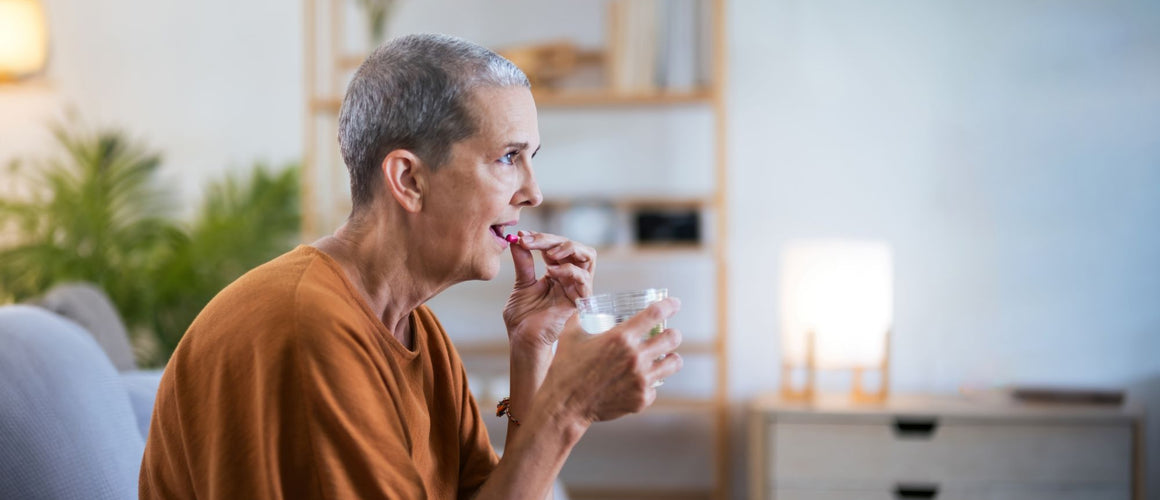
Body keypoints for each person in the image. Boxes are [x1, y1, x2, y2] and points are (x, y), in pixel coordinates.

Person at [139, 33, 684, 500]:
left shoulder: (416, 330)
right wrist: (568, 407)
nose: (534, 193)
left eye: (531, 159)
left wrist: (533, 350)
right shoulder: (308, 327)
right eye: (507, 158)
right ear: (409, 181)